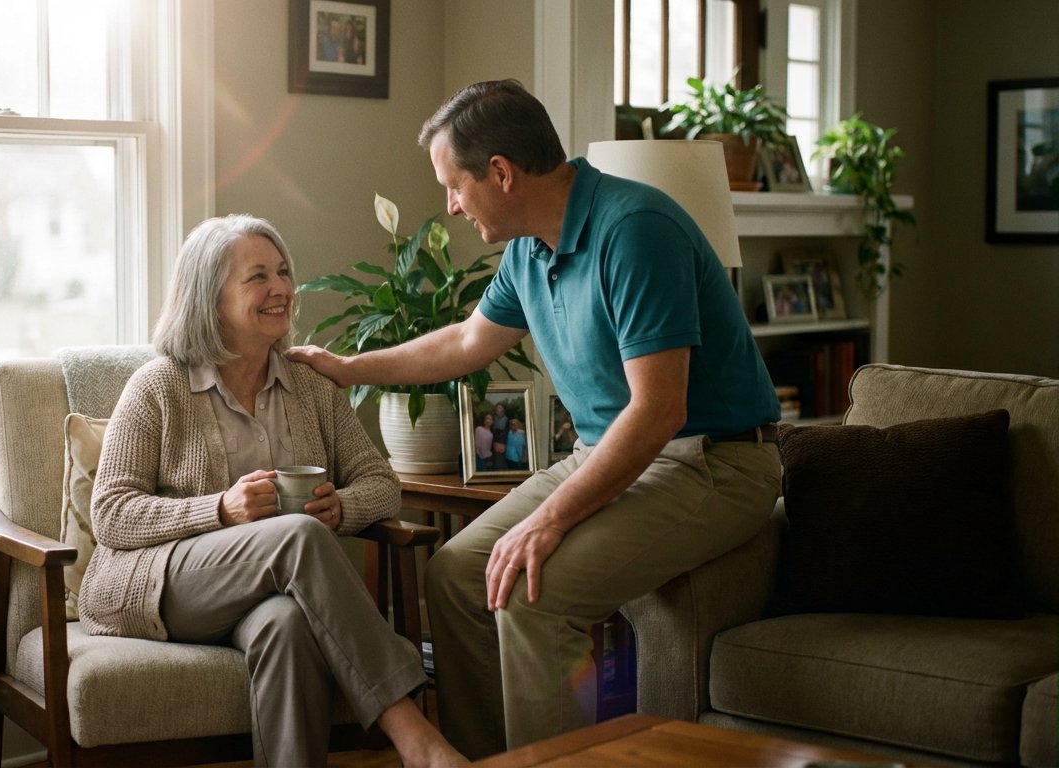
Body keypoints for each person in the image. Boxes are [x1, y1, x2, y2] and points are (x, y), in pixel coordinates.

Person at [287, 79, 782, 758]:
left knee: (531, 591)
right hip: (607, 452)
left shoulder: (636, 231)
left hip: (714, 462)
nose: (451, 206)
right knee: (456, 576)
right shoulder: (529, 247)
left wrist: (548, 520)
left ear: (501, 173)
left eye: (454, 186)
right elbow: (467, 342)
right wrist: (348, 368)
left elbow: (659, 410)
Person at [77, 214, 466, 768]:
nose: (280, 287)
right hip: (159, 585)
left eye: (282, 272)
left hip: (268, 592)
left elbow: (381, 482)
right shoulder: (158, 385)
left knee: (288, 626)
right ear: (211, 299)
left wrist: (343, 506)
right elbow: (112, 513)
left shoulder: (310, 386)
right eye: (257, 276)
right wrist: (219, 509)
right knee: (297, 536)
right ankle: (414, 734)